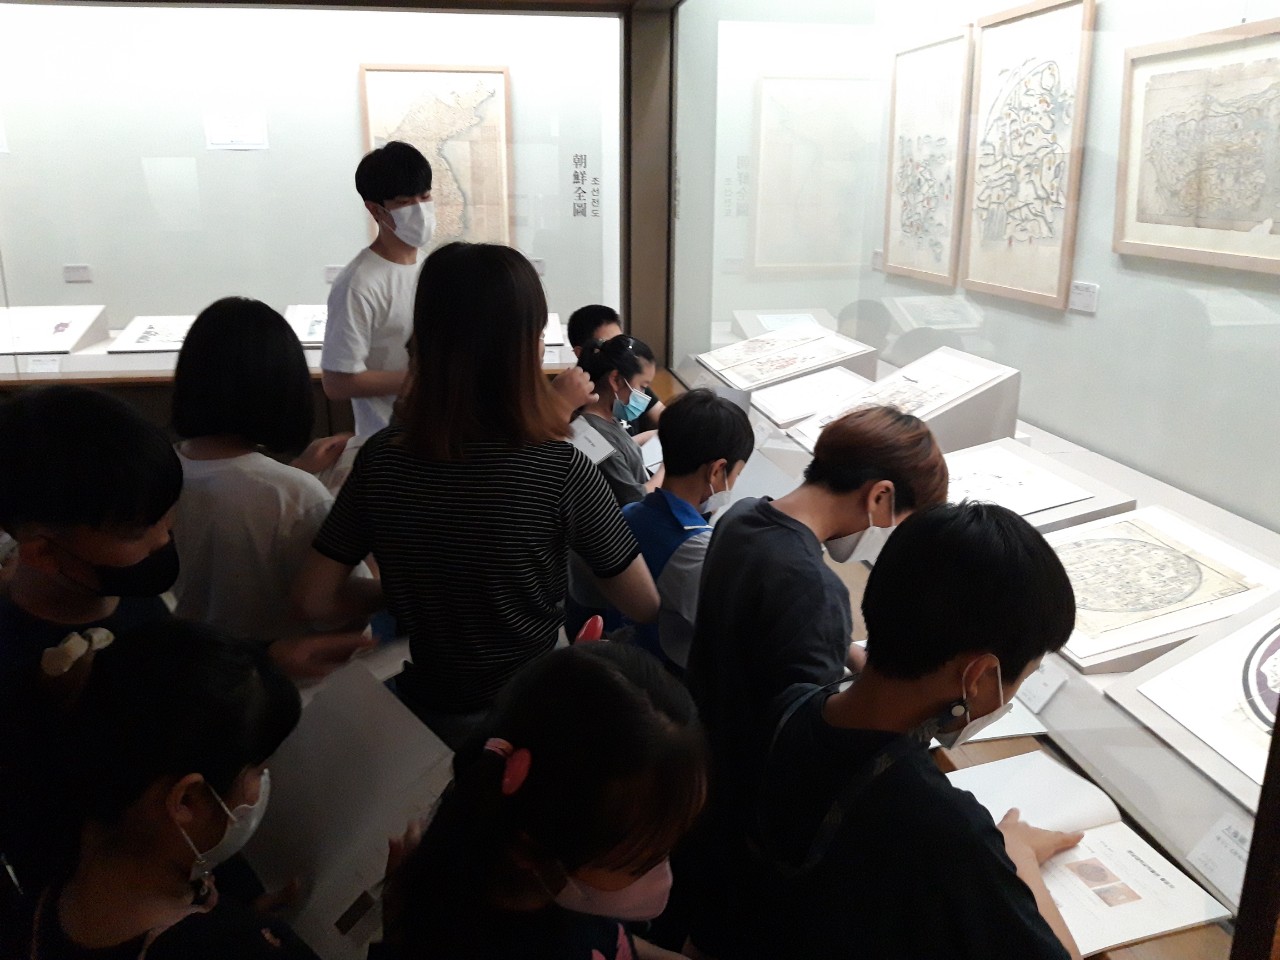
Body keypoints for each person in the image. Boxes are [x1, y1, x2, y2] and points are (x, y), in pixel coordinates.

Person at [294, 243, 659, 749]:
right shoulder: (559, 467)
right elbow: (642, 602)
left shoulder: (382, 459)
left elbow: (314, 598)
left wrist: (411, 586)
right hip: (528, 718)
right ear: (523, 350)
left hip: (424, 713)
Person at [743, 502, 1082, 960]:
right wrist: (1017, 856)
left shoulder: (790, 706)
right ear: (979, 676)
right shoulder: (944, 830)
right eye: (1024, 675)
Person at [678, 404, 949, 958]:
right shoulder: (815, 589)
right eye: (900, 520)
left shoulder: (743, 517)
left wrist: (845, 649)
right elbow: (812, 742)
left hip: (707, 769)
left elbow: (763, 626)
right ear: (880, 496)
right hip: (750, 823)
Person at [378, 642, 707, 960]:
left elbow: (598, 936)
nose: (665, 872)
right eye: (643, 862)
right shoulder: (482, 942)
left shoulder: (565, 881)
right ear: (531, 849)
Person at [22, 619, 314, 959]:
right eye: (258, 770)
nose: (262, 783)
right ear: (187, 800)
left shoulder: (54, 878)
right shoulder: (241, 949)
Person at [171, 297, 374, 683]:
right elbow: (343, 607)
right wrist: (359, 519)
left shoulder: (159, 472)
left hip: (192, 679)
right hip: (283, 687)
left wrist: (296, 474)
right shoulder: (295, 496)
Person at [617, 388, 753, 674]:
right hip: (665, 673)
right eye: (736, 473)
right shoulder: (697, 551)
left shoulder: (631, 512)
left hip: (627, 652)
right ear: (717, 470)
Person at [322, 140, 434, 439]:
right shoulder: (358, 283)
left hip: (436, 435)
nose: (421, 210)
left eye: (425, 197)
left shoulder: (430, 267)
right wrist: (424, 381)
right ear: (376, 210)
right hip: (386, 442)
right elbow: (336, 382)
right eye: (405, 202)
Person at [564, 335, 662, 639]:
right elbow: (636, 500)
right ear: (617, 379)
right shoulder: (589, 434)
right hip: (600, 588)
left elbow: (617, 451)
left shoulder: (600, 421)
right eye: (642, 386)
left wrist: (646, 439)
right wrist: (668, 468)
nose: (645, 396)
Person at [566, 305, 664, 432]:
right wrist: (642, 439)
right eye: (607, 345)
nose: (619, 350)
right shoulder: (573, 396)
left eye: (620, 341)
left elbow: (661, 413)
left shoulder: (632, 383)